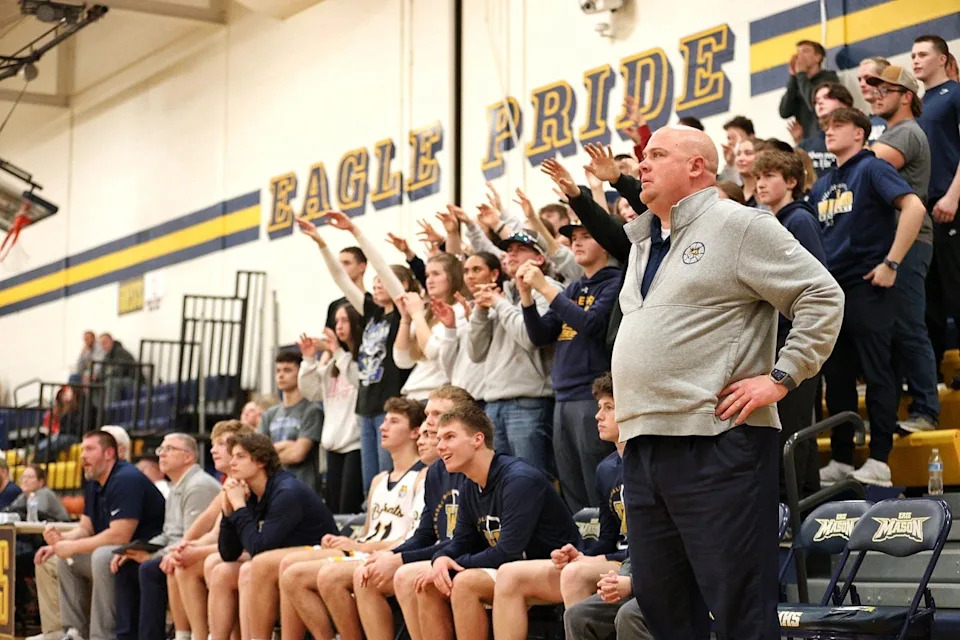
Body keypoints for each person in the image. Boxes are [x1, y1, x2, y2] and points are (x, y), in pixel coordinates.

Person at [594, 124, 842, 640]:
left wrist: (779, 377)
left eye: (656, 154)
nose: (641, 163)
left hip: (719, 442)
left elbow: (821, 295)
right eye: (642, 155)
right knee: (663, 609)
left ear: (696, 167)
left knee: (739, 609)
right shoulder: (644, 242)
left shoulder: (739, 224)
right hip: (642, 447)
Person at [811, 107, 927, 487]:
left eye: (839, 125)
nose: (830, 132)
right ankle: (843, 457)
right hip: (832, 290)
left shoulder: (872, 167)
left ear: (860, 133)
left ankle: (880, 458)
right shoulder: (822, 183)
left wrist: (891, 263)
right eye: (827, 126)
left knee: (878, 372)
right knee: (838, 377)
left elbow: (914, 206)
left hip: (868, 283)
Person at [416, 404, 581, 640]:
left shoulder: (518, 479)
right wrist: (441, 560)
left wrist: (455, 562)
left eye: (450, 437)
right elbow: (462, 540)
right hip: (511, 570)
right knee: (427, 583)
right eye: (439, 438)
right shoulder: (470, 484)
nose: (440, 446)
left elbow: (508, 551)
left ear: (477, 439)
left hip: (557, 567)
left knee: (464, 583)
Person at [273, 397, 427, 640]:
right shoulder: (379, 479)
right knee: (291, 571)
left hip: (388, 554)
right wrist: (345, 541)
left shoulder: (422, 476)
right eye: (384, 420)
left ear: (415, 433)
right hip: (365, 548)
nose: (383, 427)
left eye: (394, 421)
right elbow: (368, 531)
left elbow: (411, 537)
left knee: (311, 574)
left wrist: (357, 546)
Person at [493, 373, 629, 640]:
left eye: (609, 408)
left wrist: (588, 562)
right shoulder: (605, 470)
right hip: (618, 559)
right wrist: (580, 553)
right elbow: (608, 540)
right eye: (599, 407)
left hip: (642, 562)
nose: (598, 416)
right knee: (510, 573)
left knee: (575, 574)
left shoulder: (651, 465)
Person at [296, 212, 417, 491]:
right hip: (365, 406)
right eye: (373, 284)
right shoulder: (371, 314)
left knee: (392, 481)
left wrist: (355, 232)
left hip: (390, 405)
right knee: (370, 487)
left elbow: (383, 268)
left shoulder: (401, 314)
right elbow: (341, 279)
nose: (376, 285)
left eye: (380, 283)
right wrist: (321, 243)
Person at [353, 385, 475, 640]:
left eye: (437, 414)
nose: (428, 422)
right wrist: (390, 555)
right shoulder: (435, 472)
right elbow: (423, 534)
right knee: (375, 573)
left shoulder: (475, 470)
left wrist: (398, 559)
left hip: (472, 556)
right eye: (428, 414)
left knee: (408, 575)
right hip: (445, 553)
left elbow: (465, 541)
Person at [518, 225, 621, 512]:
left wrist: (545, 289)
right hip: (562, 396)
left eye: (586, 236)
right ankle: (584, 545)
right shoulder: (573, 288)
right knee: (571, 481)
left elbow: (591, 326)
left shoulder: (615, 283)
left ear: (605, 244)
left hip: (591, 395)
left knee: (596, 476)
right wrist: (527, 297)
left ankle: (608, 545)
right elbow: (540, 336)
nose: (577, 243)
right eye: (573, 239)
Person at [34, 430, 165, 640]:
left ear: (109, 453)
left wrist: (74, 546)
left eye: (90, 449)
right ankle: (73, 633)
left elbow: (120, 536)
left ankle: (103, 636)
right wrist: (60, 542)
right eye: (82, 449)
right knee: (66, 559)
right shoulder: (94, 481)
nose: (83, 455)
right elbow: (86, 528)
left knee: (101, 556)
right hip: (119, 551)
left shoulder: (126, 479)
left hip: (145, 552)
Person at [209, 432, 338, 640]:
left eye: (240, 456)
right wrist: (227, 512)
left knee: (252, 569)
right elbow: (229, 553)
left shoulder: (287, 492)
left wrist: (240, 506)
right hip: (281, 557)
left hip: (320, 552)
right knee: (222, 571)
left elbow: (259, 549)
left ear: (260, 460)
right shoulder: (250, 490)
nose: (232, 462)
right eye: (232, 456)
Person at [753, 150, 828, 501]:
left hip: (796, 342)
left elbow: (816, 284)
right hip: (783, 342)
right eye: (758, 177)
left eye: (769, 176)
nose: (760, 183)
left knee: (792, 430)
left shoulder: (798, 221)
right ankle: (805, 508)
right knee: (799, 432)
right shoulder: (775, 221)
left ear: (791, 182)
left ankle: (791, 510)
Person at [869, 65, 939, 432]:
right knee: (893, 332)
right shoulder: (893, 132)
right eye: (875, 88)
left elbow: (865, 167)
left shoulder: (907, 133)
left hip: (909, 242)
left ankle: (927, 409)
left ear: (907, 96)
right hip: (893, 242)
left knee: (910, 327)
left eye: (886, 89)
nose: (876, 93)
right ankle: (900, 412)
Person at [112, 434, 221, 640]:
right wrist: (138, 548)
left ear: (188, 457)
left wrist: (153, 556)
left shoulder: (198, 486)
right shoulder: (176, 485)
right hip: (177, 550)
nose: (162, 454)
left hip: (197, 553)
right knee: (126, 566)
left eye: (169, 449)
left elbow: (192, 538)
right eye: (161, 449)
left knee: (150, 569)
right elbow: (169, 534)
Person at [467, 230, 556, 474]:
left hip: (529, 401)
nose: (512, 254)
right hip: (493, 402)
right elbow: (475, 353)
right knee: (501, 482)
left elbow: (530, 338)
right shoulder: (502, 294)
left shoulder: (548, 289)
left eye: (521, 249)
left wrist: (498, 304)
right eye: (509, 250)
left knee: (532, 478)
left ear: (539, 258)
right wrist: (480, 311)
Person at [169, 420, 255, 640]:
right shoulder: (230, 482)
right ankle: (190, 635)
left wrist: (192, 550)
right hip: (237, 551)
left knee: (208, 564)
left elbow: (240, 542)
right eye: (213, 443)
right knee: (181, 563)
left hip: (252, 553)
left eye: (220, 444)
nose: (213, 449)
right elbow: (210, 525)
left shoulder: (247, 483)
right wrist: (184, 546)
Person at [913, 35, 960, 388]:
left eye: (923, 54)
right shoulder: (916, 104)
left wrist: (953, 196)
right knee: (929, 300)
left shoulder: (955, 93)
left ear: (943, 59)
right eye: (912, 55)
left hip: (950, 206)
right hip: (923, 214)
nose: (915, 60)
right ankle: (933, 377)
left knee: (956, 287)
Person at [298, 304, 364, 514]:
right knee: (334, 509)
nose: (339, 326)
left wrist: (335, 350)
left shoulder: (361, 360)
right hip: (333, 445)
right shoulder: (332, 366)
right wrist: (309, 359)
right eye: (337, 322)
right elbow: (311, 391)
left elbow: (358, 380)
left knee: (348, 508)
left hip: (355, 444)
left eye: (344, 320)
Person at [394, 253, 467, 400]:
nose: (429, 281)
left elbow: (433, 352)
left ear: (453, 277)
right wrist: (406, 319)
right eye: (427, 275)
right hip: (413, 394)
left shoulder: (460, 310)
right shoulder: (426, 313)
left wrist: (416, 314)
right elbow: (402, 361)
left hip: (439, 394)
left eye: (436, 274)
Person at [435, 252, 503, 402]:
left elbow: (480, 355)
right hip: (460, 397)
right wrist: (450, 329)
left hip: (486, 396)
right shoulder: (460, 309)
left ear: (494, 274)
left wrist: (477, 320)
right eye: (466, 271)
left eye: (477, 270)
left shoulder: (502, 306)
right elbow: (448, 365)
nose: (470, 276)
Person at [258, 350, 322, 492]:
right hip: (274, 488)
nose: (281, 375)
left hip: (303, 489)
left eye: (287, 370)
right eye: (278, 371)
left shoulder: (312, 411)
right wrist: (286, 445)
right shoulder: (269, 414)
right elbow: (258, 454)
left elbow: (297, 454)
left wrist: (270, 454)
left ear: (300, 373)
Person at [779, 40, 840, 140]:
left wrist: (801, 74)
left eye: (805, 51)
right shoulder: (798, 81)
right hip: (805, 141)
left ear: (818, 57)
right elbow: (784, 112)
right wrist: (793, 77)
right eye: (798, 52)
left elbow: (814, 103)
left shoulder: (829, 78)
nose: (799, 56)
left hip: (825, 139)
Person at [799, 82, 855, 178]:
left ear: (844, 103)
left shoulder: (857, 136)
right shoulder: (805, 145)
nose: (820, 103)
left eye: (826, 97)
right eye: (816, 101)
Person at [325, 246, 368, 329]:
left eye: (346, 263)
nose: (341, 267)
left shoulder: (373, 302)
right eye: (339, 264)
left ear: (362, 267)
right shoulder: (334, 306)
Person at [858, 56, 891, 142]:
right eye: (859, 79)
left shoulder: (895, 119)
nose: (862, 84)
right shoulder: (863, 122)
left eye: (867, 78)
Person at [719, 115, 755, 183]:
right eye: (729, 138)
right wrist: (730, 164)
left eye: (735, 137)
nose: (730, 142)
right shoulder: (731, 164)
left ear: (751, 136)